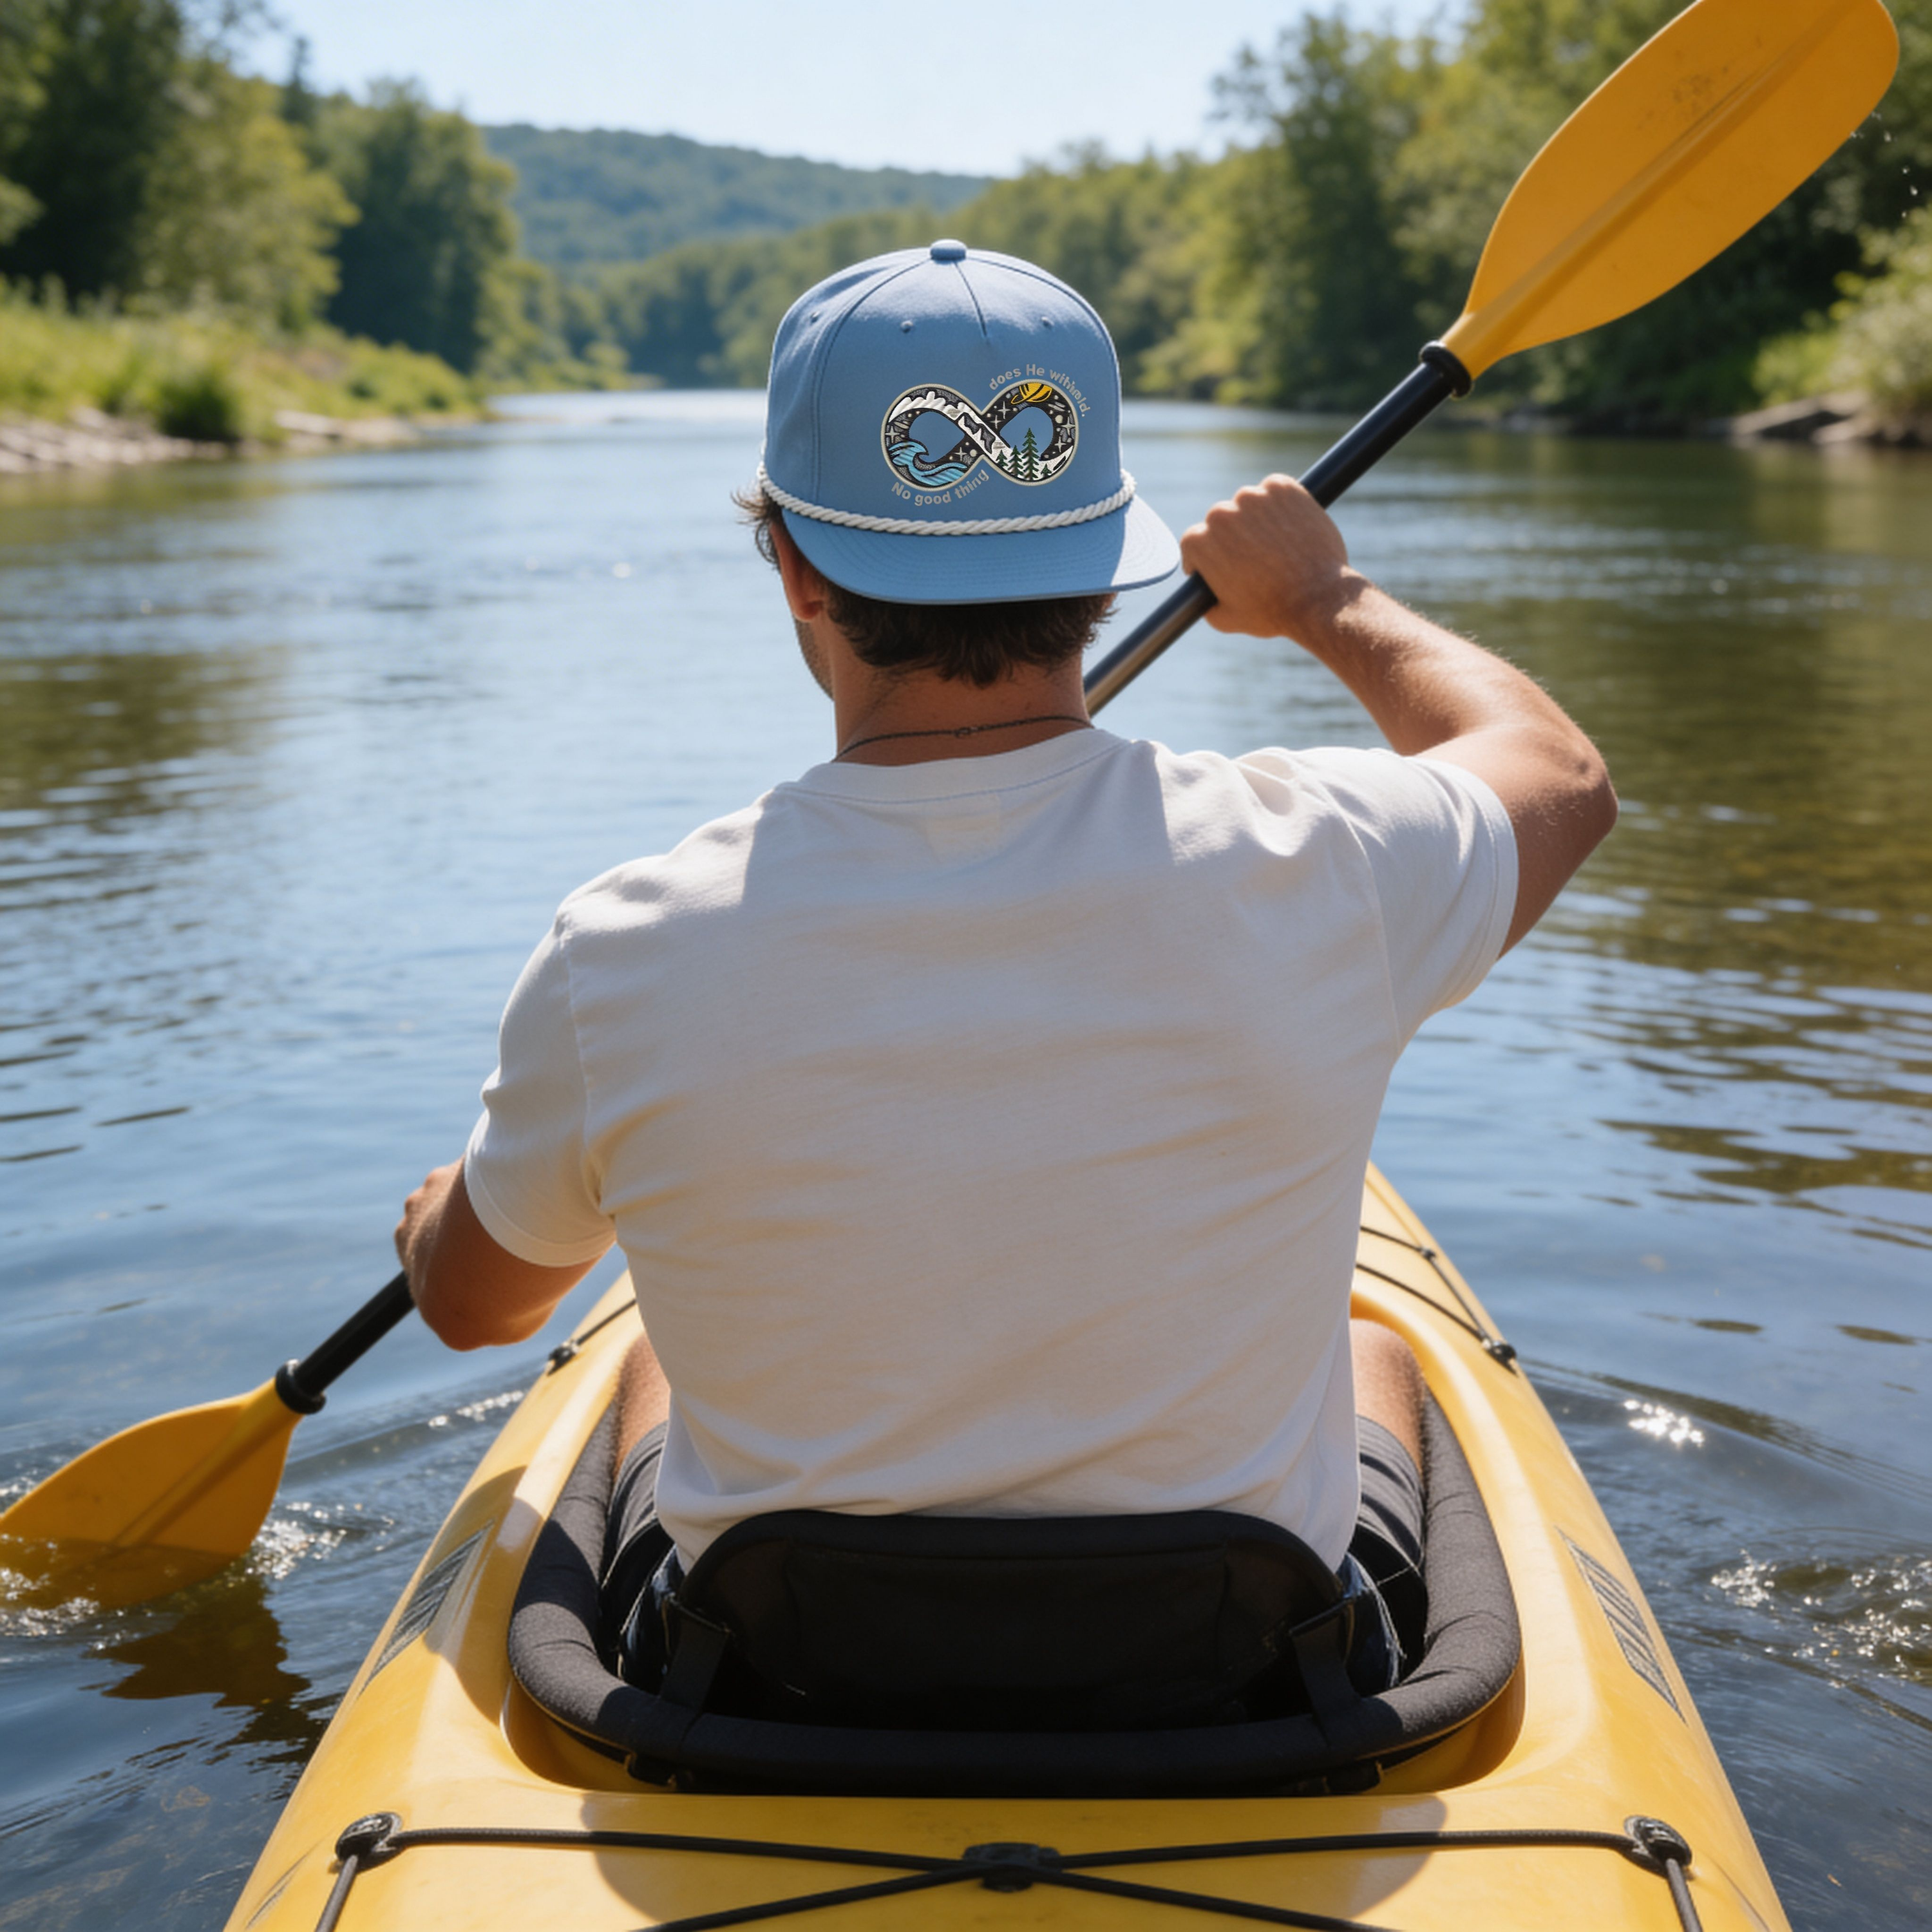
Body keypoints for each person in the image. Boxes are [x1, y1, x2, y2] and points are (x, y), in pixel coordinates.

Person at [393, 240, 1615, 1698]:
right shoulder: (1323, 854)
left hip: (786, 1678)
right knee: (1382, 1361)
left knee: (642, 1340)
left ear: (792, 565)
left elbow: (477, 1305)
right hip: (1230, 1668)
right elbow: (1559, 774)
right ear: (1111, 568)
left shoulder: (624, 942)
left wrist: (434, 1227)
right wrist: (1322, 599)